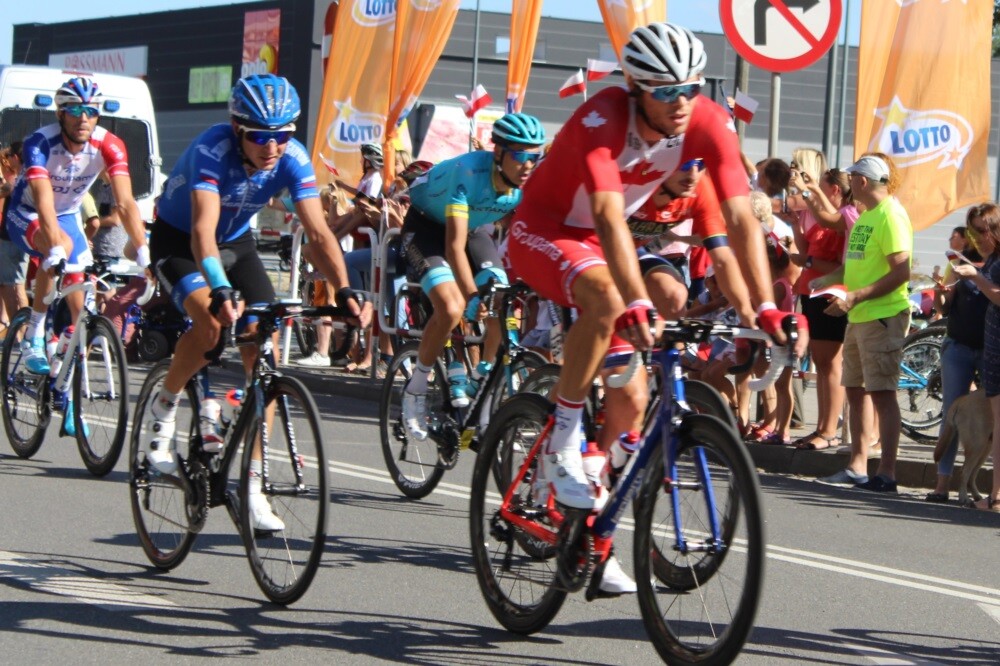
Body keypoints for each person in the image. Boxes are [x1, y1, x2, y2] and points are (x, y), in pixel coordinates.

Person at [508, 22, 806, 514]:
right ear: (635, 89)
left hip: (606, 244)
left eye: (691, 88)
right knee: (609, 297)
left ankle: (587, 528)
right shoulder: (601, 118)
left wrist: (767, 307)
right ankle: (561, 437)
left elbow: (741, 219)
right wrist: (639, 302)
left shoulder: (707, 123)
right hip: (548, 230)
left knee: (632, 399)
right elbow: (605, 216)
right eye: (666, 91)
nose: (681, 102)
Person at [144, 74, 367, 530]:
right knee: (210, 324)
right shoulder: (213, 150)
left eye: (283, 135)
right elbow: (202, 232)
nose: (273, 147)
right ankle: (164, 407)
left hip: (237, 241)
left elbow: (320, 235)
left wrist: (344, 290)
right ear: (237, 129)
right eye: (261, 136)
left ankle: (252, 484)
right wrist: (220, 287)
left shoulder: (294, 159)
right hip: (181, 241)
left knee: (261, 346)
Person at [2, 77, 150, 435]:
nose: (84, 118)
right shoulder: (41, 143)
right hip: (29, 211)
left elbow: (126, 203)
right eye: (75, 110)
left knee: (83, 306)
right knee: (61, 251)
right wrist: (54, 245)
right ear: (60, 113)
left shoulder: (110, 145)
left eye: (91, 111)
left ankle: (65, 387)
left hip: (67, 215)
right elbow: (42, 200)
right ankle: (35, 334)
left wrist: (145, 258)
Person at [399, 112, 546, 440]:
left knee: (502, 297)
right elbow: (453, 247)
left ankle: (481, 379)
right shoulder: (470, 172)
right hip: (427, 229)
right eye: (520, 156)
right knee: (451, 308)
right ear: (499, 153)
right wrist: (471, 294)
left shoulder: (528, 183)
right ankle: (416, 389)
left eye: (534, 157)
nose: (528, 165)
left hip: (475, 228)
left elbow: (530, 234)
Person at [821, 153, 911, 492]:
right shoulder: (865, 216)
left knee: (883, 394)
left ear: (861, 181)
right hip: (859, 316)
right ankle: (857, 466)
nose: (848, 184)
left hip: (882, 316)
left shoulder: (891, 215)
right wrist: (827, 280)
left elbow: (900, 272)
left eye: (852, 177)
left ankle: (887, 473)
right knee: (856, 392)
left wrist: (856, 297)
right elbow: (852, 266)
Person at [928, 203, 998, 503]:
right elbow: (944, 308)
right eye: (972, 230)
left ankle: (991, 492)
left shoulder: (995, 262)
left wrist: (977, 277)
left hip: (990, 347)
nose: (977, 237)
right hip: (958, 344)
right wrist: (942, 293)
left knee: (990, 421)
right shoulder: (963, 258)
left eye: (982, 230)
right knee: (951, 414)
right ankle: (942, 484)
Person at [0, 141, 28, 336]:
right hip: (23, 237)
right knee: (18, 285)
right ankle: (23, 333)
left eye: (10, 156)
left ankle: (18, 333)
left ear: (16, 158)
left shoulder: (17, 181)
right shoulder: (32, 176)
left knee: (11, 286)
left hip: (10, 237)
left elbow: (4, 190)